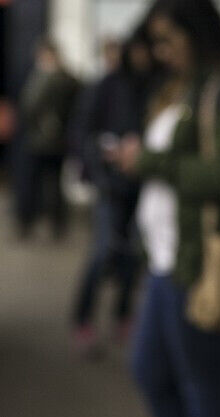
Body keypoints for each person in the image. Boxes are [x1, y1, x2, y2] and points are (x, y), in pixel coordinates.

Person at [108, 0, 220, 416]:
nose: (160, 52)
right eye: (155, 42)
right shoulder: (181, 86)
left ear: (198, 32)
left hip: (200, 259)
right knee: (150, 372)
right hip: (164, 257)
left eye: (168, 40)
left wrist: (148, 161)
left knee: (202, 385)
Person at [70, 28, 158, 355]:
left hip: (143, 186)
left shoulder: (150, 87)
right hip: (111, 187)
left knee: (132, 257)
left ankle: (123, 314)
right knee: (102, 252)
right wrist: (101, 159)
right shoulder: (103, 87)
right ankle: (83, 319)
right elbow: (82, 133)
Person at [18, 39, 79, 239]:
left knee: (51, 184)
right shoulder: (38, 76)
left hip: (51, 141)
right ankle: (30, 221)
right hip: (38, 140)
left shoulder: (60, 78)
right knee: (35, 182)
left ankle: (54, 224)